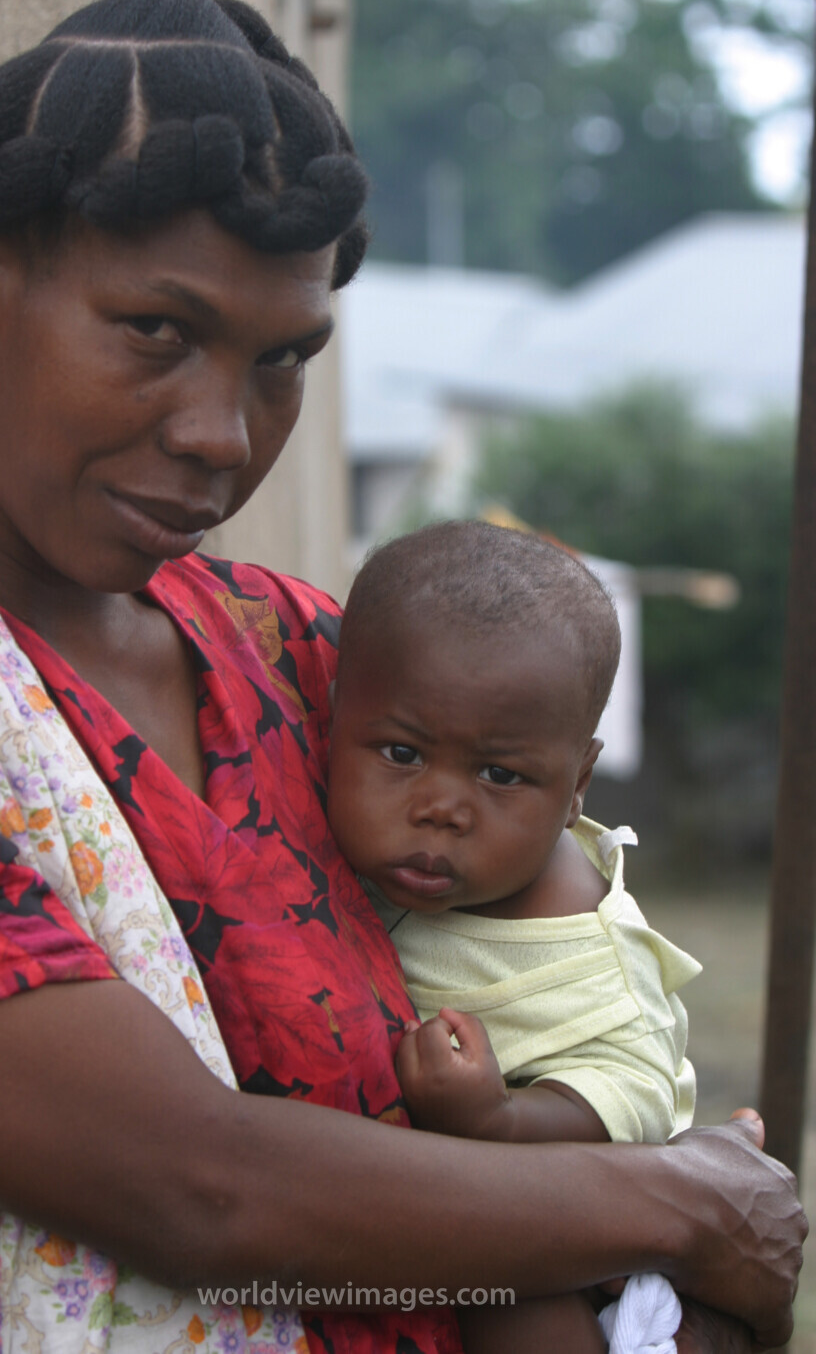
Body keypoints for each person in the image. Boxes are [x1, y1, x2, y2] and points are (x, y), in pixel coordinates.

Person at [0, 0, 803, 1354]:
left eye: (282, 361)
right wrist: (672, 1207)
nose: (226, 433)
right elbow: (194, 1188)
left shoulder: (296, 653)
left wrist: (634, 1216)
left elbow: (554, 975)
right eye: (156, 331)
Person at [327, 520, 701, 1352]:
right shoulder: (347, 858)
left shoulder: (584, 953)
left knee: (507, 1294)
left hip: (581, 1253)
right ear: (328, 718)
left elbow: (636, 1094)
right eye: (400, 752)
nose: (443, 807)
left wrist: (501, 1119)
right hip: (380, 1229)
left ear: (577, 784)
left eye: (501, 775)